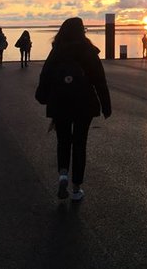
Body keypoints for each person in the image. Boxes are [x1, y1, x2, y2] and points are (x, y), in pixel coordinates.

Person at [35, 17, 112, 202]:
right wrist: (106, 105)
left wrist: (43, 97)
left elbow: (45, 75)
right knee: (79, 143)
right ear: (81, 31)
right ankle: (76, 188)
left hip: (60, 104)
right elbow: (99, 79)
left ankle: (63, 176)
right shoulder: (88, 51)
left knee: (63, 141)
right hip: (84, 104)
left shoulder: (57, 51)